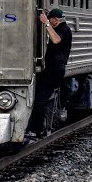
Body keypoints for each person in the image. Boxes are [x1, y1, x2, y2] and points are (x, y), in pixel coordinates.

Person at [27, 8, 72, 138]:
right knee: (42, 97)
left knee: (41, 98)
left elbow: (56, 40)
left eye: (52, 19)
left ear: (55, 20)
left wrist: (46, 23)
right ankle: (38, 128)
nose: (51, 22)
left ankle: (37, 130)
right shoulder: (62, 28)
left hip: (55, 68)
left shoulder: (63, 29)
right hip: (54, 68)